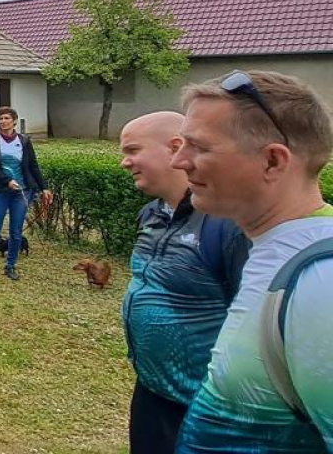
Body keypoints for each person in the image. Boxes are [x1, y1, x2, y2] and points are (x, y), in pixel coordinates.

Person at [172, 71, 333, 452]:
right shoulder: (278, 249)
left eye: (199, 147)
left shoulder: (321, 278)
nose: (179, 161)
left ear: (274, 162)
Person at [119, 111, 250, 454]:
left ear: (175, 148)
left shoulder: (226, 224)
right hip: (151, 392)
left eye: (133, 150)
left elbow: (251, 324)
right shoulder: (150, 215)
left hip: (203, 407)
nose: (124, 162)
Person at [0, 106, 51, 281]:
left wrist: (44, 188)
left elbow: (33, 165)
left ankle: (10, 265)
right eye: (0, 119)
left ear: (14, 121)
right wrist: (7, 181)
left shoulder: (24, 141)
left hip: (22, 193)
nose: (3, 122)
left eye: (6, 118)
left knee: (16, 231)